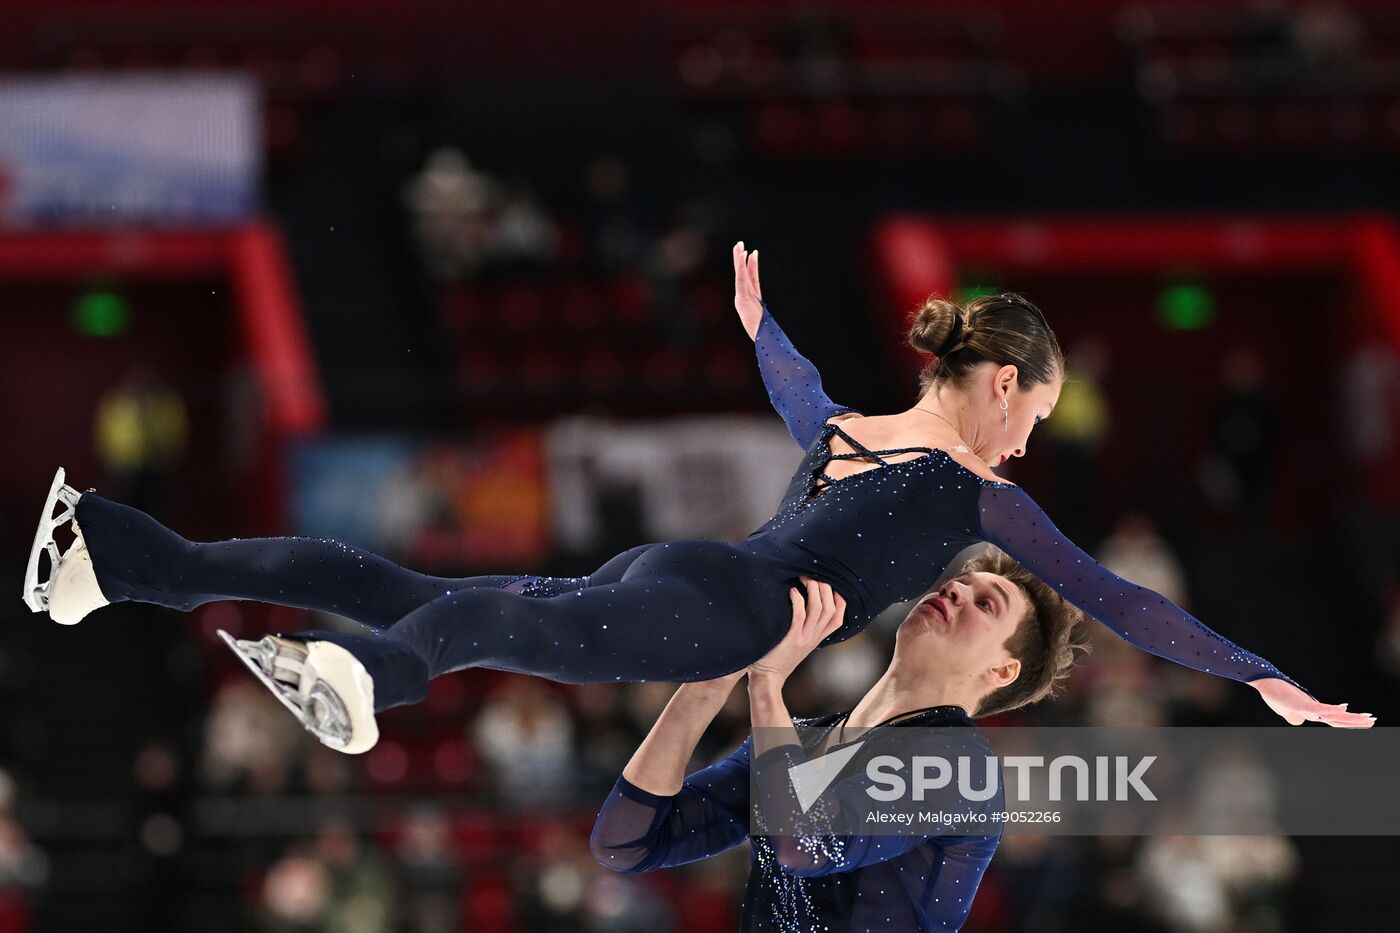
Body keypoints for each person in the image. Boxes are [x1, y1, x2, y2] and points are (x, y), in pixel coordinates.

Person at [22, 243, 1372, 755]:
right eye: (1036, 411)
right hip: (722, 614)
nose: (1032, 441)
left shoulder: (851, 430)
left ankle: (115, 554)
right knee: (486, 623)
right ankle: (363, 680)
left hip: (689, 575)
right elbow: (1118, 598)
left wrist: (760, 325)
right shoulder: (975, 496)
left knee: (404, 583)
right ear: (1003, 382)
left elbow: (797, 391)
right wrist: (1263, 677)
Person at [592, 556, 1083, 932]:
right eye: (961, 583)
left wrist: (766, 683)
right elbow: (626, 844)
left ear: (1002, 670)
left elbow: (806, 844)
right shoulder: (800, 740)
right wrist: (707, 688)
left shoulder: (961, 766)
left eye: (985, 604)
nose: (955, 589)